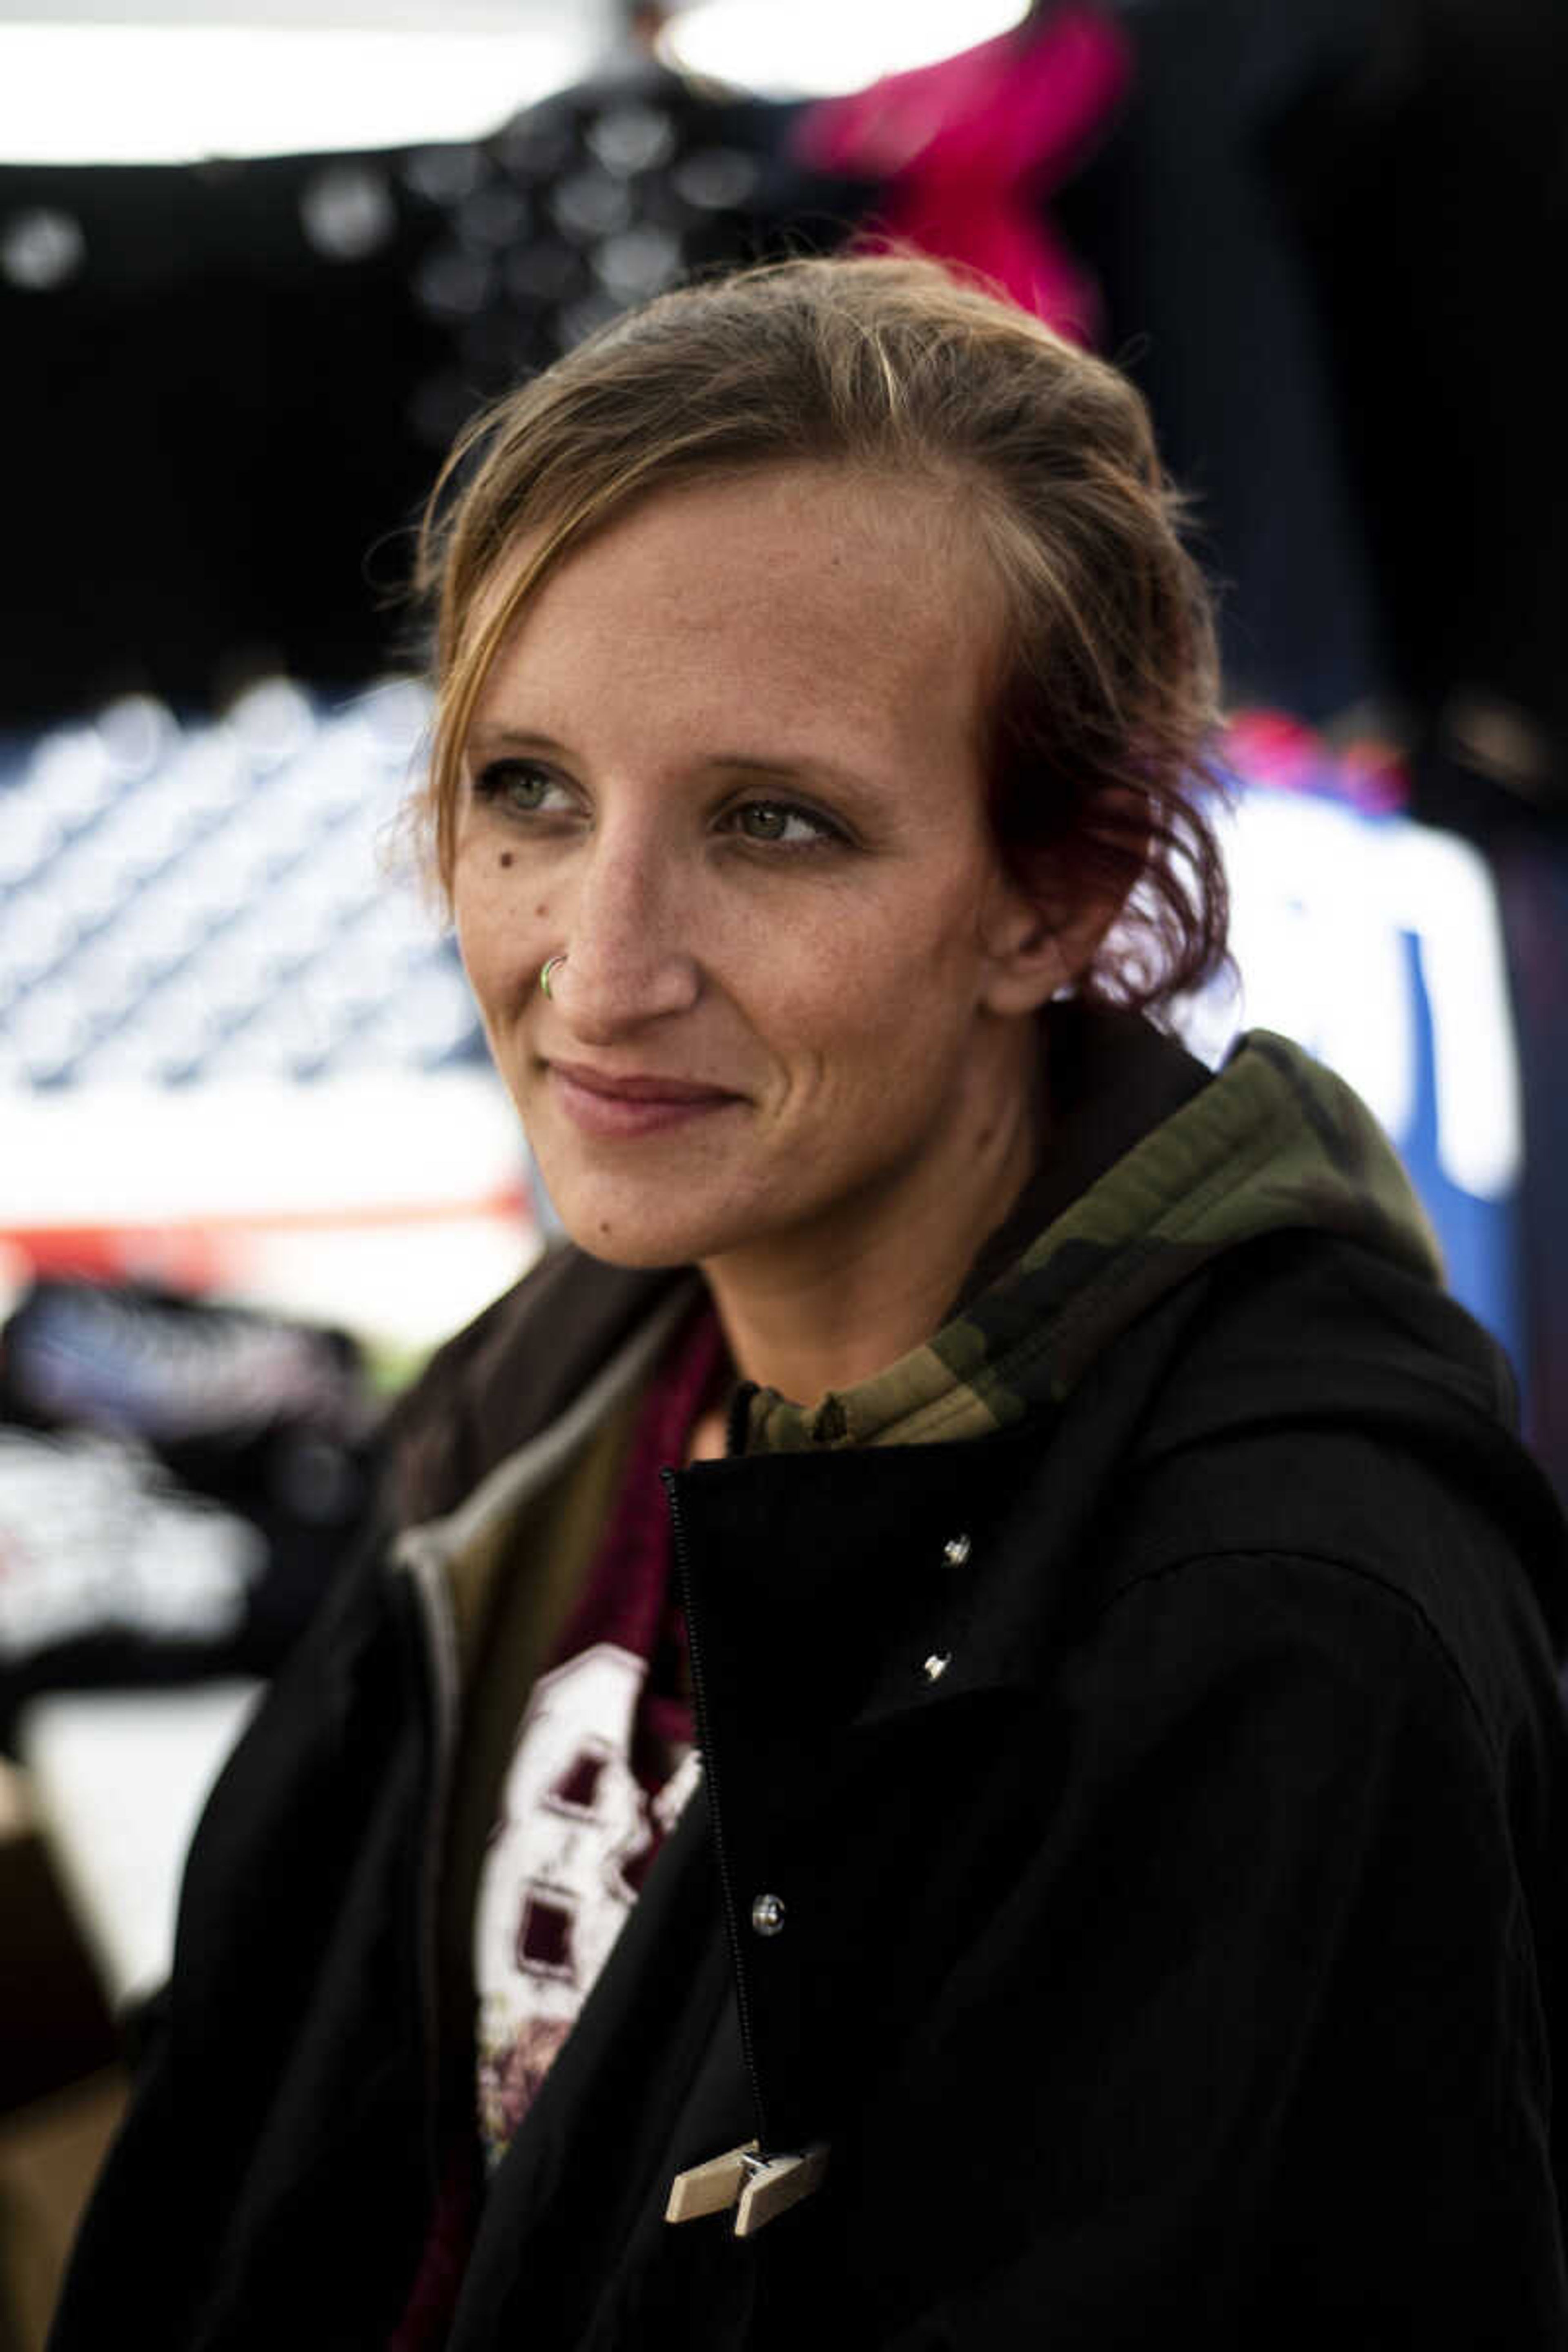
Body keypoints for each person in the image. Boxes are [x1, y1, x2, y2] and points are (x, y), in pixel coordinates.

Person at [52, 256, 1568, 2349]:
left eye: (775, 824)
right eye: (531, 793)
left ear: (1062, 891)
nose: (599, 965)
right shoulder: (586, 1360)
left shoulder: (1267, 1630)